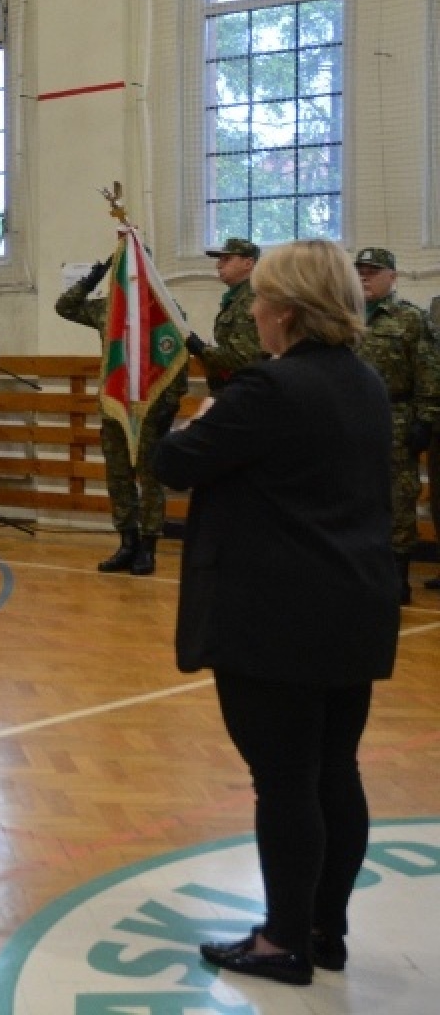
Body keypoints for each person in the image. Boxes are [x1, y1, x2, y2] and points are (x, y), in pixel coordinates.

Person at [152, 239, 400, 988]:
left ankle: (283, 939)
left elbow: (173, 463)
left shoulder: (268, 389)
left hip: (277, 616)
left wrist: (195, 419)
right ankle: (325, 929)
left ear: (286, 311)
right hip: (353, 605)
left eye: (261, 299)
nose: (254, 311)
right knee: (334, 770)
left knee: (285, 780)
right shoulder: (364, 382)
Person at [56, 258, 188, 574]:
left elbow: (177, 356)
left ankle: (148, 546)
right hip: (115, 406)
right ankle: (126, 543)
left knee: (150, 479)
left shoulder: (165, 308)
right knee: (118, 478)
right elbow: (65, 307)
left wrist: (171, 403)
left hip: (149, 407)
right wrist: (93, 278)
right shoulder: (107, 308)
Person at [351, 247, 440, 603]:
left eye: (373, 271)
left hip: (396, 417)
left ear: (393, 277)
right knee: (355, 494)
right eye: (360, 270)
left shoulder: (411, 319)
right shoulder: (345, 316)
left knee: (398, 499)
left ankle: (398, 577)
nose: (365, 277)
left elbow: (429, 373)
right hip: (352, 419)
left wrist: (426, 418)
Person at [185, 237, 266, 394]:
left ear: (248, 264)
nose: (219, 265)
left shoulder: (250, 299)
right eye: (220, 259)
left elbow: (243, 357)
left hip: (244, 389)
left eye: (227, 259)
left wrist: (202, 350)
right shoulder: (237, 297)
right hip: (233, 387)